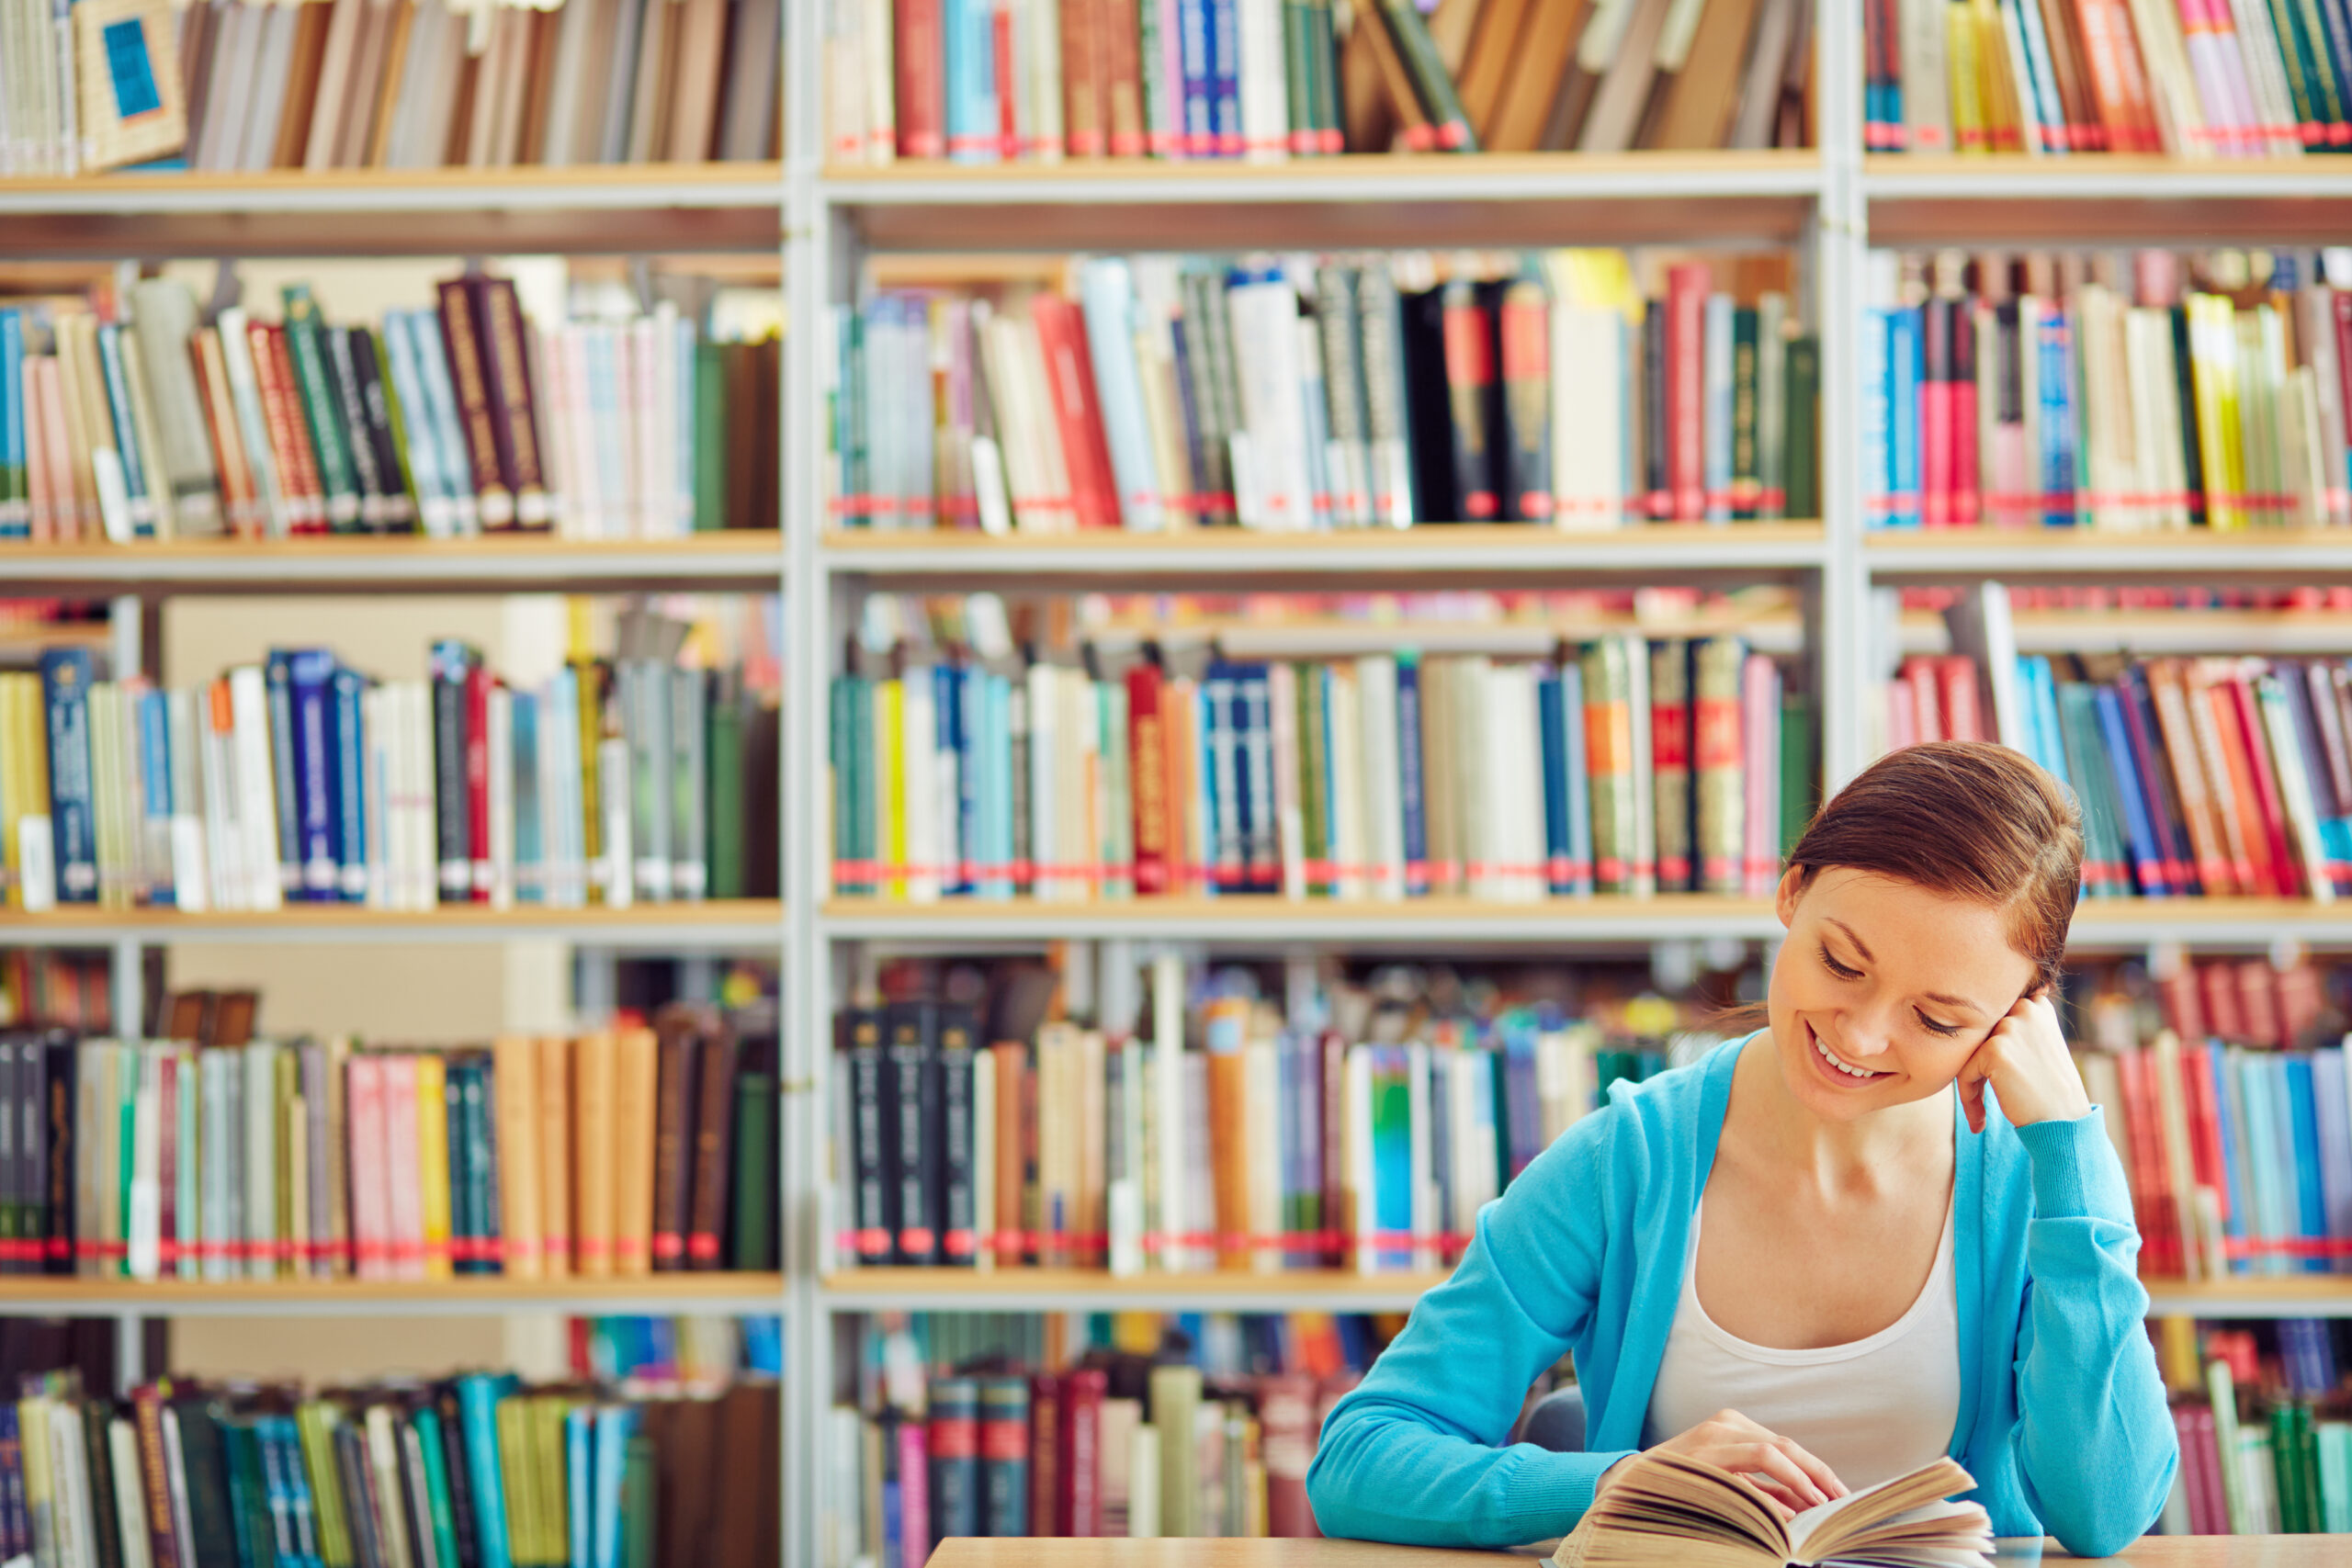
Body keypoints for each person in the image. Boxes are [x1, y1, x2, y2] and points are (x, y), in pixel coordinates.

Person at [1305, 741, 2177, 1558]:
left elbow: (2104, 1512)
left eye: (1937, 1017)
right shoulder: (1629, 1162)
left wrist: (2068, 1147)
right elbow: (1359, 1457)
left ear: (2017, 1016)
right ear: (1793, 891)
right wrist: (1617, 1484)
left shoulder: (2036, 1187)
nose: (1863, 1035)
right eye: (1842, 963)